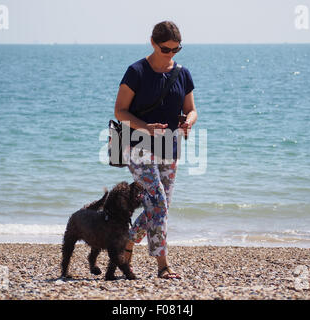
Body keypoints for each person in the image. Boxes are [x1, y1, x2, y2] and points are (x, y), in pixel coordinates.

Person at [114, 21, 197, 279]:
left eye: (176, 49)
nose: (171, 54)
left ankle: (126, 243)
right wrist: (146, 128)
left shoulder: (182, 73)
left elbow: (192, 110)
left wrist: (188, 122)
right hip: (137, 147)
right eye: (166, 49)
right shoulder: (136, 71)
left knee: (158, 207)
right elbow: (120, 111)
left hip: (169, 148)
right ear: (153, 42)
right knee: (158, 202)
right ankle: (163, 265)